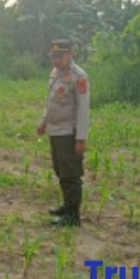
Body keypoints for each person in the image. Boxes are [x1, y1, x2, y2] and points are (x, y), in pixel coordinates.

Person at [36, 38, 89, 227]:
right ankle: (67, 206)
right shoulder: (55, 73)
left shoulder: (79, 76)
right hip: (55, 131)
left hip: (68, 132)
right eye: (54, 57)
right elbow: (52, 102)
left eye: (60, 56)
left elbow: (83, 110)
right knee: (60, 170)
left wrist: (81, 138)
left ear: (70, 54)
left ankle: (73, 216)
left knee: (70, 174)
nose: (56, 60)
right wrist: (43, 122)